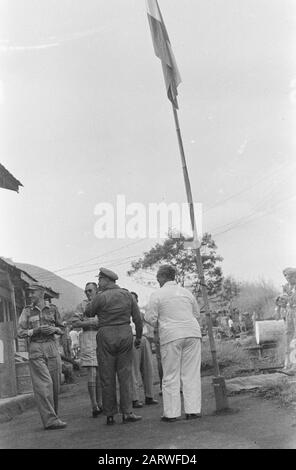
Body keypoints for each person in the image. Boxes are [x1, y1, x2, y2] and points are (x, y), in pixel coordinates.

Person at [85, 268, 143, 425]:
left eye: (100, 280)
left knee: (107, 376)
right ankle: (127, 412)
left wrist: (94, 299)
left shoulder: (100, 297)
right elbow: (137, 319)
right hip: (125, 334)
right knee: (125, 376)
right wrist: (137, 338)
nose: (98, 283)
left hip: (106, 336)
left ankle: (110, 414)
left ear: (106, 280)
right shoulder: (127, 295)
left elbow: (88, 312)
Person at [145, 265, 202, 422]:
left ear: (162, 277)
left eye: (158, 277)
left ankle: (171, 413)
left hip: (171, 335)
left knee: (171, 374)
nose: (157, 279)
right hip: (192, 332)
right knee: (191, 373)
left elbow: (150, 318)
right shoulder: (186, 292)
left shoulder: (157, 294)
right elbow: (196, 313)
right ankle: (193, 410)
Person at [17, 284, 67, 430]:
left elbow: (63, 328)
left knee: (55, 384)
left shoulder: (53, 309)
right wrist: (35, 330)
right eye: (29, 292)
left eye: (33, 292)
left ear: (42, 293)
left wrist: (55, 329)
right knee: (44, 385)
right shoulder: (27, 311)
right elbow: (20, 331)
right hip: (36, 347)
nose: (30, 295)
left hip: (52, 346)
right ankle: (50, 420)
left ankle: (53, 417)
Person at [72, 282, 102, 418]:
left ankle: (102, 403)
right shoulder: (82, 305)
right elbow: (75, 323)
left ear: (96, 291)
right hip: (88, 338)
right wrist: (91, 322)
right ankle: (94, 405)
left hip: (101, 338)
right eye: (86, 291)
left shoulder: (103, 302)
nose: (88, 293)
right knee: (92, 372)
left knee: (101, 372)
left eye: (90, 291)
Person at [130, 291, 158, 408]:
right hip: (132, 339)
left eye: (134, 299)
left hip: (144, 339)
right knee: (133, 370)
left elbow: (151, 323)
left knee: (148, 368)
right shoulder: (124, 314)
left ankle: (149, 396)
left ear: (137, 301)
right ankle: (135, 398)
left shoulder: (141, 314)